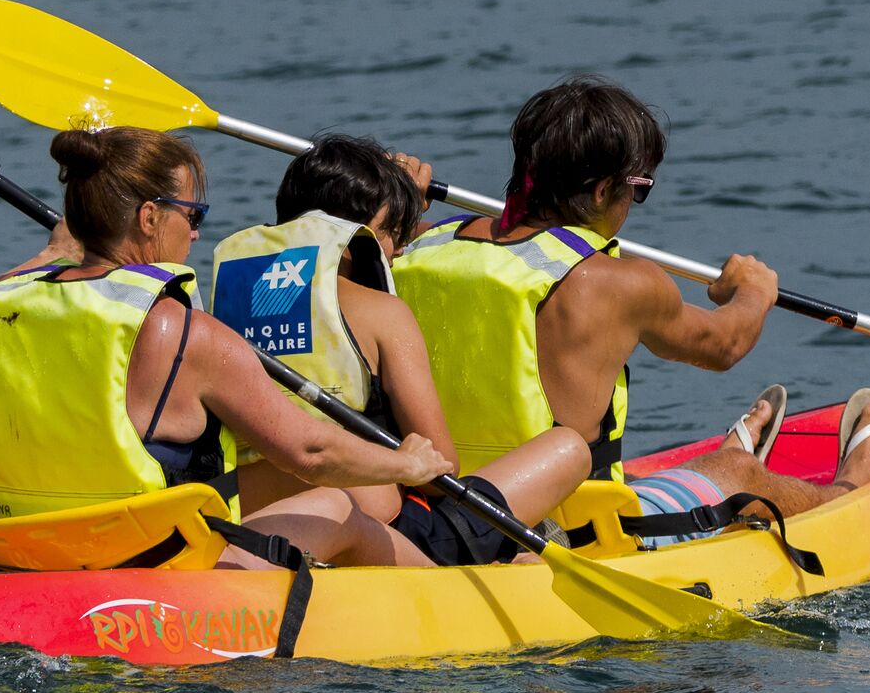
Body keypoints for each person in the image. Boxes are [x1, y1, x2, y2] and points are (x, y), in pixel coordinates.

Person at [395, 75, 870, 539]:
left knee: (642, 474)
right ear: (599, 191)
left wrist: (395, 204)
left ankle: (718, 463)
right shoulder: (614, 282)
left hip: (433, 499)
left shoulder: (412, 244)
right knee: (742, 479)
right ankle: (852, 491)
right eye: (638, 190)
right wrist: (754, 291)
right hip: (563, 530)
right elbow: (723, 344)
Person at [0, 127, 448, 569]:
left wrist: (48, 256)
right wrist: (403, 464)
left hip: (17, 549)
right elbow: (310, 452)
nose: (196, 235)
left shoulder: (2, 306)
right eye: (192, 216)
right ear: (149, 218)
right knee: (337, 502)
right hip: (141, 559)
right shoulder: (188, 332)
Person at [205, 134, 602, 568]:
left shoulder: (219, 315)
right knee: (568, 448)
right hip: (391, 530)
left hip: (265, 521)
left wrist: (398, 205)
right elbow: (439, 472)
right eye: (391, 234)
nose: (395, 253)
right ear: (357, 235)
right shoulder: (380, 313)